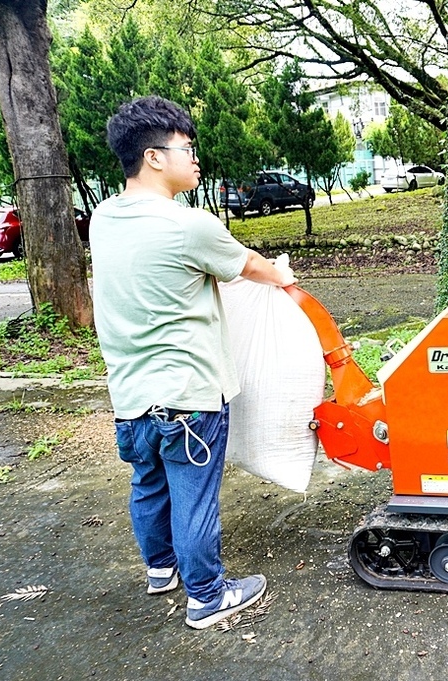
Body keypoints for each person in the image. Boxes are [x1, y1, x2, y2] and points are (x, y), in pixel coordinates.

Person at [90, 96, 297, 630]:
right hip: (187, 395)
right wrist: (282, 275)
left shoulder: (104, 218)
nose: (196, 158)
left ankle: (161, 570)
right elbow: (250, 267)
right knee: (194, 498)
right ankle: (207, 596)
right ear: (155, 157)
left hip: (130, 394)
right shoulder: (189, 225)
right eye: (187, 147)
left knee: (148, 483)